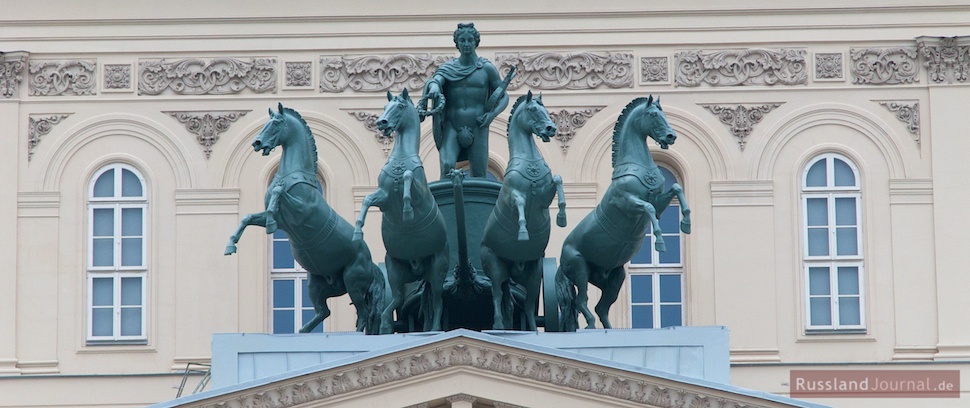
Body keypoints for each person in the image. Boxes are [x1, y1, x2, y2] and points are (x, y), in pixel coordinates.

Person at [419, 23, 513, 178]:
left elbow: (503, 96)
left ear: (476, 42)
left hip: (478, 126)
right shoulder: (449, 68)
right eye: (462, 40)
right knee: (447, 165)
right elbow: (436, 80)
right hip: (453, 125)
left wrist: (491, 116)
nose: (466, 44)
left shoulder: (487, 69)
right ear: (457, 44)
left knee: (479, 174)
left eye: (470, 40)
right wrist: (434, 87)